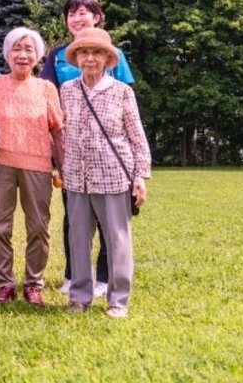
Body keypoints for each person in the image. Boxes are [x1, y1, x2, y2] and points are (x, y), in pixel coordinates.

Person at [39, 0, 135, 298]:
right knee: (76, 220)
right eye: (71, 14)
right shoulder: (57, 56)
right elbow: (48, 97)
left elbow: (126, 104)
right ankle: (75, 277)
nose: (77, 18)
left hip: (109, 158)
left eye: (83, 13)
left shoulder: (115, 56)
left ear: (97, 17)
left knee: (112, 224)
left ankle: (106, 279)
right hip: (74, 154)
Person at [60, 27, 150, 318]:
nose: (89, 58)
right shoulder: (68, 90)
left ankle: (117, 300)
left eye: (96, 52)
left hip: (113, 176)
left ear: (108, 58)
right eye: (84, 52)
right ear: (76, 58)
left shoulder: (122, 91)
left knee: (117, 240)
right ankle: (80, 296)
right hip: (76, 177)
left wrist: (140, 177)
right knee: (78, 239)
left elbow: (137, 137)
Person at [0, 27, 62, 307]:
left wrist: (62, 166)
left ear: (37, 55)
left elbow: (57, 129)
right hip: (0, 163)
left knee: (39, 227)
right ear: (7, 53)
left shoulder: (46, 88)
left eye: (29, 49)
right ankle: (5, 283)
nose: (23, 54)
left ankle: (33, 284)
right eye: (17, 48)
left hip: (38, 165)